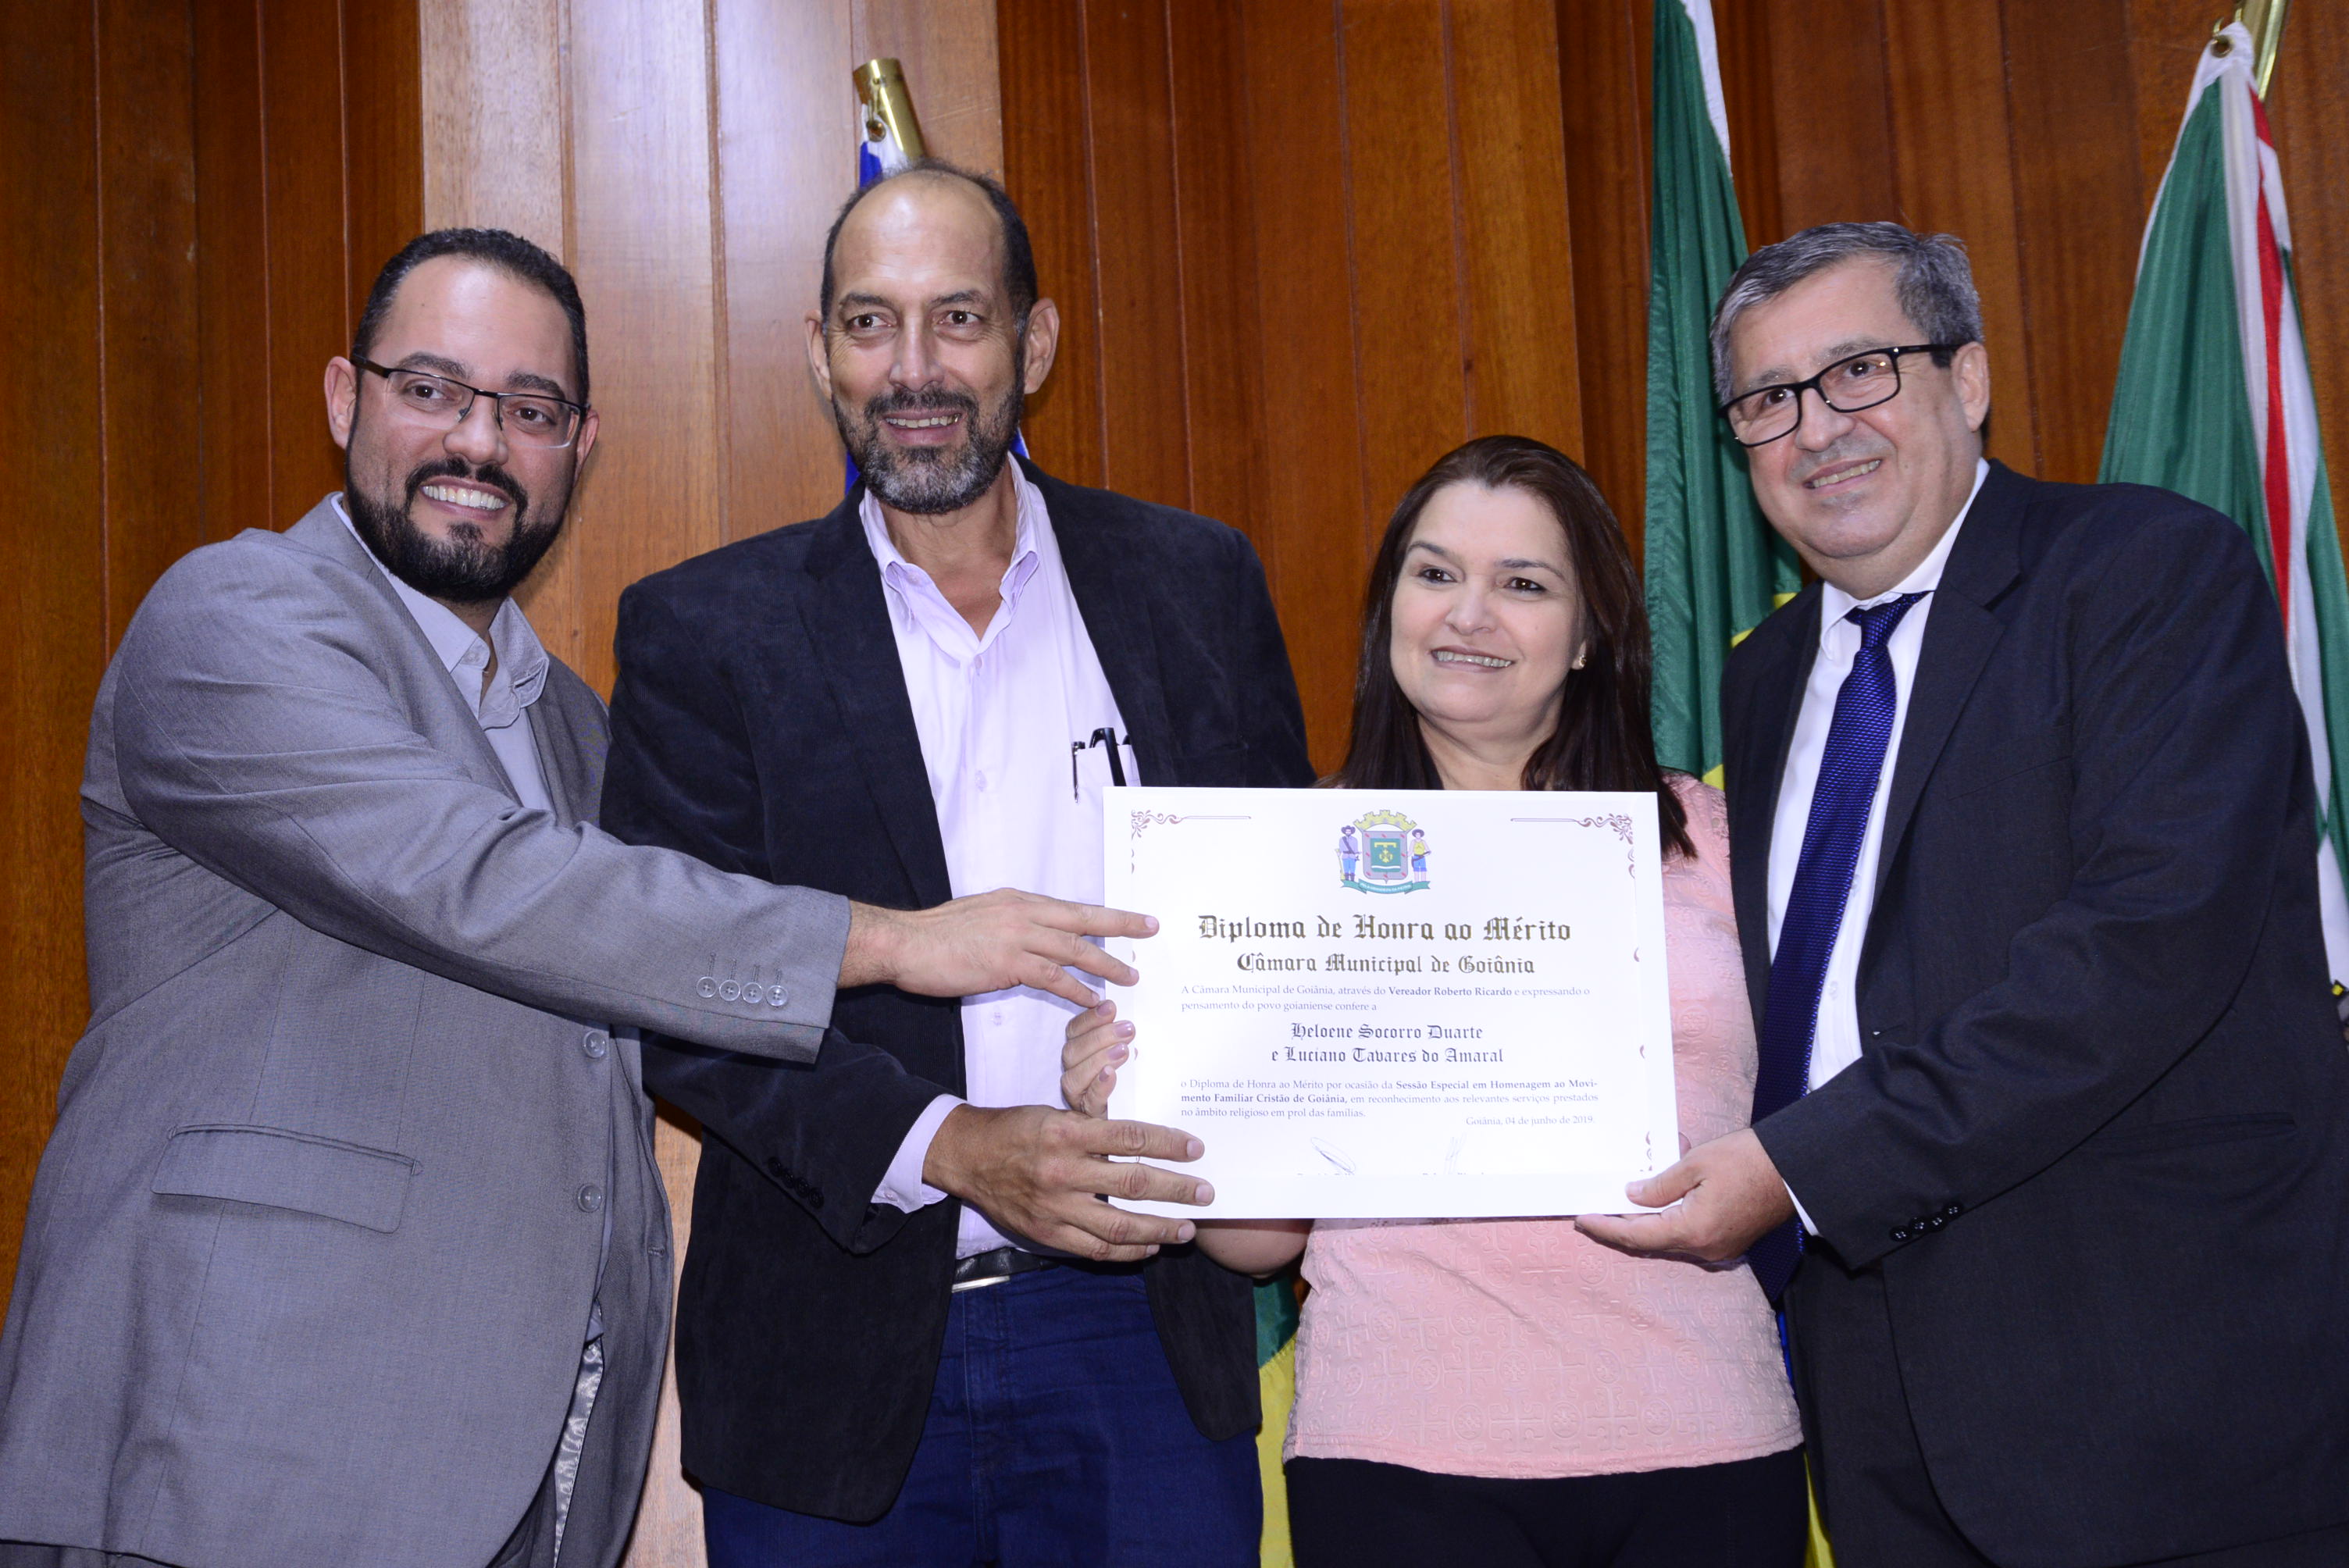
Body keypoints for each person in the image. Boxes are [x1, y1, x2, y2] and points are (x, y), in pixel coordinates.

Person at [0, 227, 1178, 1568]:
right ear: (343, 398)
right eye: (430, 389)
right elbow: (482, 884)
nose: (478, 442)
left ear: (581, 446)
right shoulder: (232, 619)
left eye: (530, 409)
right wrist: (895, 942)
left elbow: (632, 1012)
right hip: (240, 1445)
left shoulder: (570, 725)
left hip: (514, 1469)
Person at [1579, 223, 2349, 1566]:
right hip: (1875, 1410)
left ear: (1971, 376)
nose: (1818, 429)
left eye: (1860, 370)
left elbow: (2143, 952)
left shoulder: (2146, 574)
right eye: (1769, 399)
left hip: (2158, 1388)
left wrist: (1799, 1170)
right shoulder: (1765, 679)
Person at [597, 161, 1314, 1566]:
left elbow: (1280, 919)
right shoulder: (705, 632)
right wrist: (958, 1147)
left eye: (959, 319)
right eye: (871, 323)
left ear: (1033, 344)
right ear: (820, 353)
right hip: (829, 1358)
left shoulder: (1196, 586)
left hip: (1141, 1332)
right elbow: (679, 986)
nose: (913, 370)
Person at [1068, 436, 1807, 1568]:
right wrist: (1148, 1099)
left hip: (1705, 1434)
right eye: (1436, 573)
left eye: (1524, 583)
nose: (1470, 613)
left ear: (1591, 633)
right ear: (1390, 612)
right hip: (1397, 1459)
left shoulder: (1714, 839)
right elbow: (1257, 1245)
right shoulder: (1264, 869)